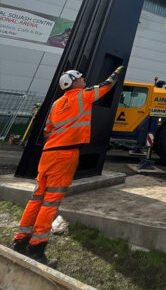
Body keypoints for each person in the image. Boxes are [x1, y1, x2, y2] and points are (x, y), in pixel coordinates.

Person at [12, 65, 124, 265]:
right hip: (65, 154)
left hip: (48, 154)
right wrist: (117, 72)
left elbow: (47, 131)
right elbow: (107, 85)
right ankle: (37, 248)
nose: (84, 80)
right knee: (51, 201)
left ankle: (20, 241)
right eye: (80, 78)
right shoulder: (83, 95)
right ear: (73, 82)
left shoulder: (56, 104)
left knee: (36, 198)